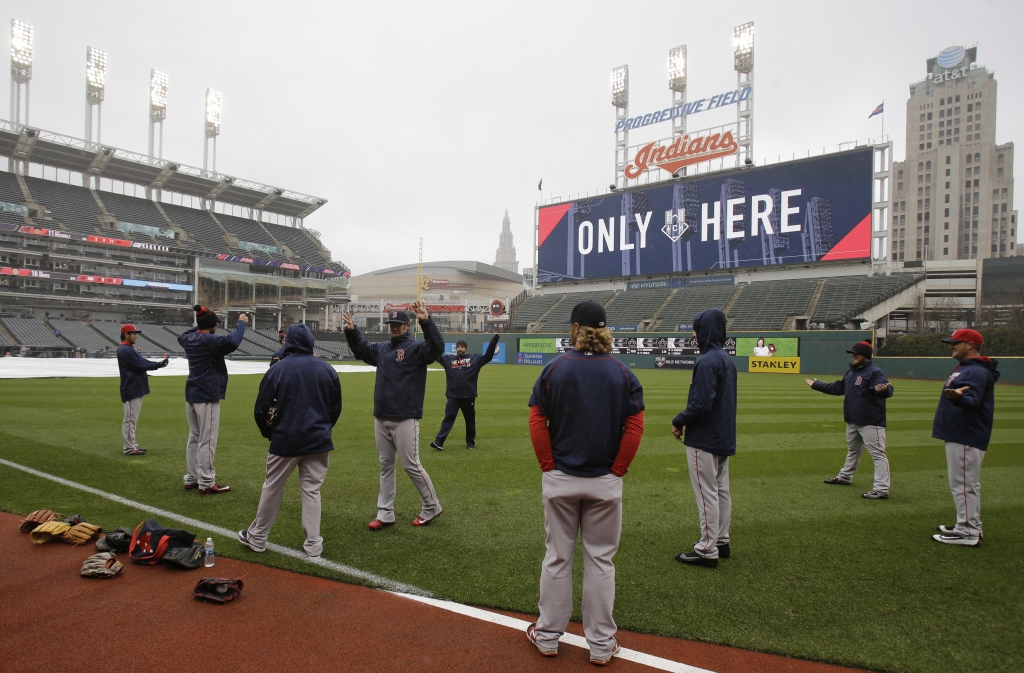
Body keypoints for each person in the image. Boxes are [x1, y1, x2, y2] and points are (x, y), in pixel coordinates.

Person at [525, 300, 644, 666]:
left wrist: (549, 465)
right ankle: (601, 644)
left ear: (576, 328)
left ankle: (547, 636)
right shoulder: (622, 373)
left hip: (561, 478)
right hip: (604, 482)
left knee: (558, 557)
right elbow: (635, 426)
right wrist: (618, 470)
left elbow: (536, 420)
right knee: (601, 561)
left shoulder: (555, 368)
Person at [240, 323, 342, 558]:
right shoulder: (327, 369)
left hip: (285, 439)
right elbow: (335, 408)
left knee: (272, 488)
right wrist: (323, 429)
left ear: (289, 342)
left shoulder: (278, 369)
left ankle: (257, 538)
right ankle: (314, 545)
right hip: (318, 439)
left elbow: (260, 410)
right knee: (312, 491)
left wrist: (269, 433)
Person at [343, 302, 445, 529]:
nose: (394, 327)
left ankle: (432, 506)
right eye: (392, 324)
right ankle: (385, 512)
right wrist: (352, 332)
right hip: (381, 415)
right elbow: (361, 350)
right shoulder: (383, 349)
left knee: (411, 465)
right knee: (385, 465)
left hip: (405, 416)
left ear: (408, 325)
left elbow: (437, 348)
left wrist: (427, 322)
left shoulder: (417, 349)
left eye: (399, 324)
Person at [671, 308, 736, 569]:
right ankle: (721, 541)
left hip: (704, 438)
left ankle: (707, 549)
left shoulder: (707, 361)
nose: (695, 335)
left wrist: (679, 420)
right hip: (722, 435)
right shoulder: (726, 359)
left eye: (696, 330)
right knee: (721, 491)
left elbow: (700, 404)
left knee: (707, 492)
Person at [931, 329, 1000, 546]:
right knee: (966, 483)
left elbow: (972, 402)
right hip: (962, 433)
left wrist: (957, 398)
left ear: (970, 345)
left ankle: (967, 531)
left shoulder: (976, 371)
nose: (951, 346)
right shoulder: (969, 368)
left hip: (965, 433)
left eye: (956, 343)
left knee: (962, 484)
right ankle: (970, 525)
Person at [806, 340, 894, 499]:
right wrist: (817, 385)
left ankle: (881, 489)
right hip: (853, 419)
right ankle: (845, 477)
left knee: (878, 454)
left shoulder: (875, 372)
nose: (853, 356)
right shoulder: (852, 372)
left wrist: (882, 390)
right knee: (853, 451)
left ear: (865, 356)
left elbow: (887, 389)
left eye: (856, 354)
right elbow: (837, 388)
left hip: (870, 421)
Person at [178, 305, 248, 494]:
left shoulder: (188, 338)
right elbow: (233, 342)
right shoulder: (208, 340)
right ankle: (207, 481)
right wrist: (242, 322)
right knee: (207, 439)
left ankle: (192, 477)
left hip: (192, 393)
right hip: (207, 394)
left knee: (194, 437)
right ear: (211, 325)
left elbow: (185, 334)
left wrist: (201, 320)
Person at [430, 335, 500, 451]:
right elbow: (436, 355)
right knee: (448, 418)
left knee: (469, 420)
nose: (460, 349)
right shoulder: (449, 360)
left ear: (466, 348)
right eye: (458, 347)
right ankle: (439, 441)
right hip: (453, 395)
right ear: (455, 348)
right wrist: (432, 340)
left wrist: (493, 342)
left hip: (469, 396)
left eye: (462, 347)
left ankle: (470, 442)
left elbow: (488, 357)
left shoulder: (474, 359)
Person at [116, 324, 168, 456]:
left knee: (132, 419)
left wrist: (158, 364)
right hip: (131, 387)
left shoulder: (128, 349)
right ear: (126, 335)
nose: (136, 336)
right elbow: (140, 365)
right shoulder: (125, 350)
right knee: (130, 419)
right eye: (133, 333)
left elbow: (142, 362)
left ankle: (131, 445)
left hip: (134, 387)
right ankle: (129, 447)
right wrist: (158, 365)